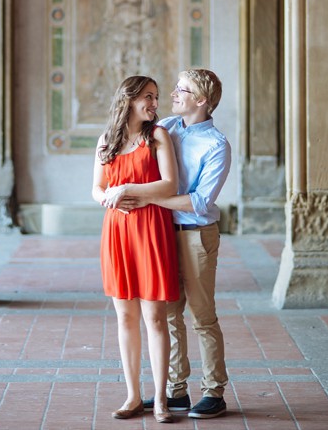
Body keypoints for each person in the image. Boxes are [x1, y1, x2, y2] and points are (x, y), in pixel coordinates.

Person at [112, 69, 231, 419]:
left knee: (203, 316)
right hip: (160, 234)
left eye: (184, 90)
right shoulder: (167, 126)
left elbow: (199, 202)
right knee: (168, 314)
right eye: (176, 88)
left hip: (195, 236)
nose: (174, 93)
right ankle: (175, 391)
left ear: (202, 101)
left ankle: (214, 392)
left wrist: (145, 199)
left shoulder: (217, 145)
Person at [92, 76, 180, 423]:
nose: (155, 104)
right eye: (149, 97)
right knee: (125, 317)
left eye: (156, 97)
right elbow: (97, 189)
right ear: (129, 99)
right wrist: (109, 198)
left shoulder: (158, 136)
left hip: (152, 230)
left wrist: (127, 188)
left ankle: (160, 399)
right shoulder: (106, 141)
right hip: (117, 231)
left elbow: (169, 184)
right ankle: (132, 396)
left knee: (155, 318)